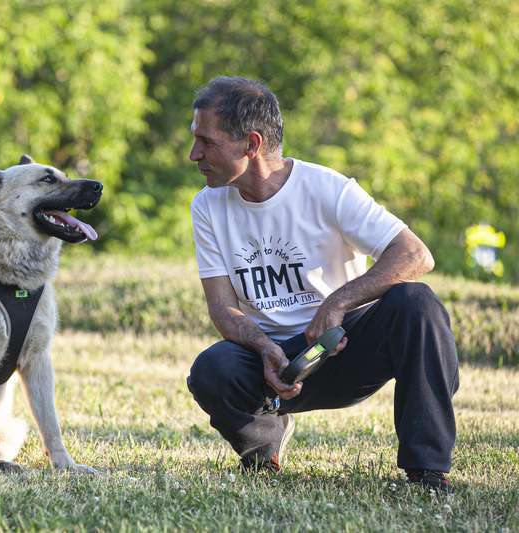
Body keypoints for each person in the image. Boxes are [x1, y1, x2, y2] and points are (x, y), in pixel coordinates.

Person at [185, 76, 459, 493]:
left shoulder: (326, 188)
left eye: (206, 141)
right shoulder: (207, 205)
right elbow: (223, 309)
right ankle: (263, 449)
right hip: (274, 363)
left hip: (345, 344)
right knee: (212, 369)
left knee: (417, 303)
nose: (194, 154)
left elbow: (415, 254)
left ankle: (428, 471)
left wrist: (337, 303)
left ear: (251, 144)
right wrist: (264, 348)